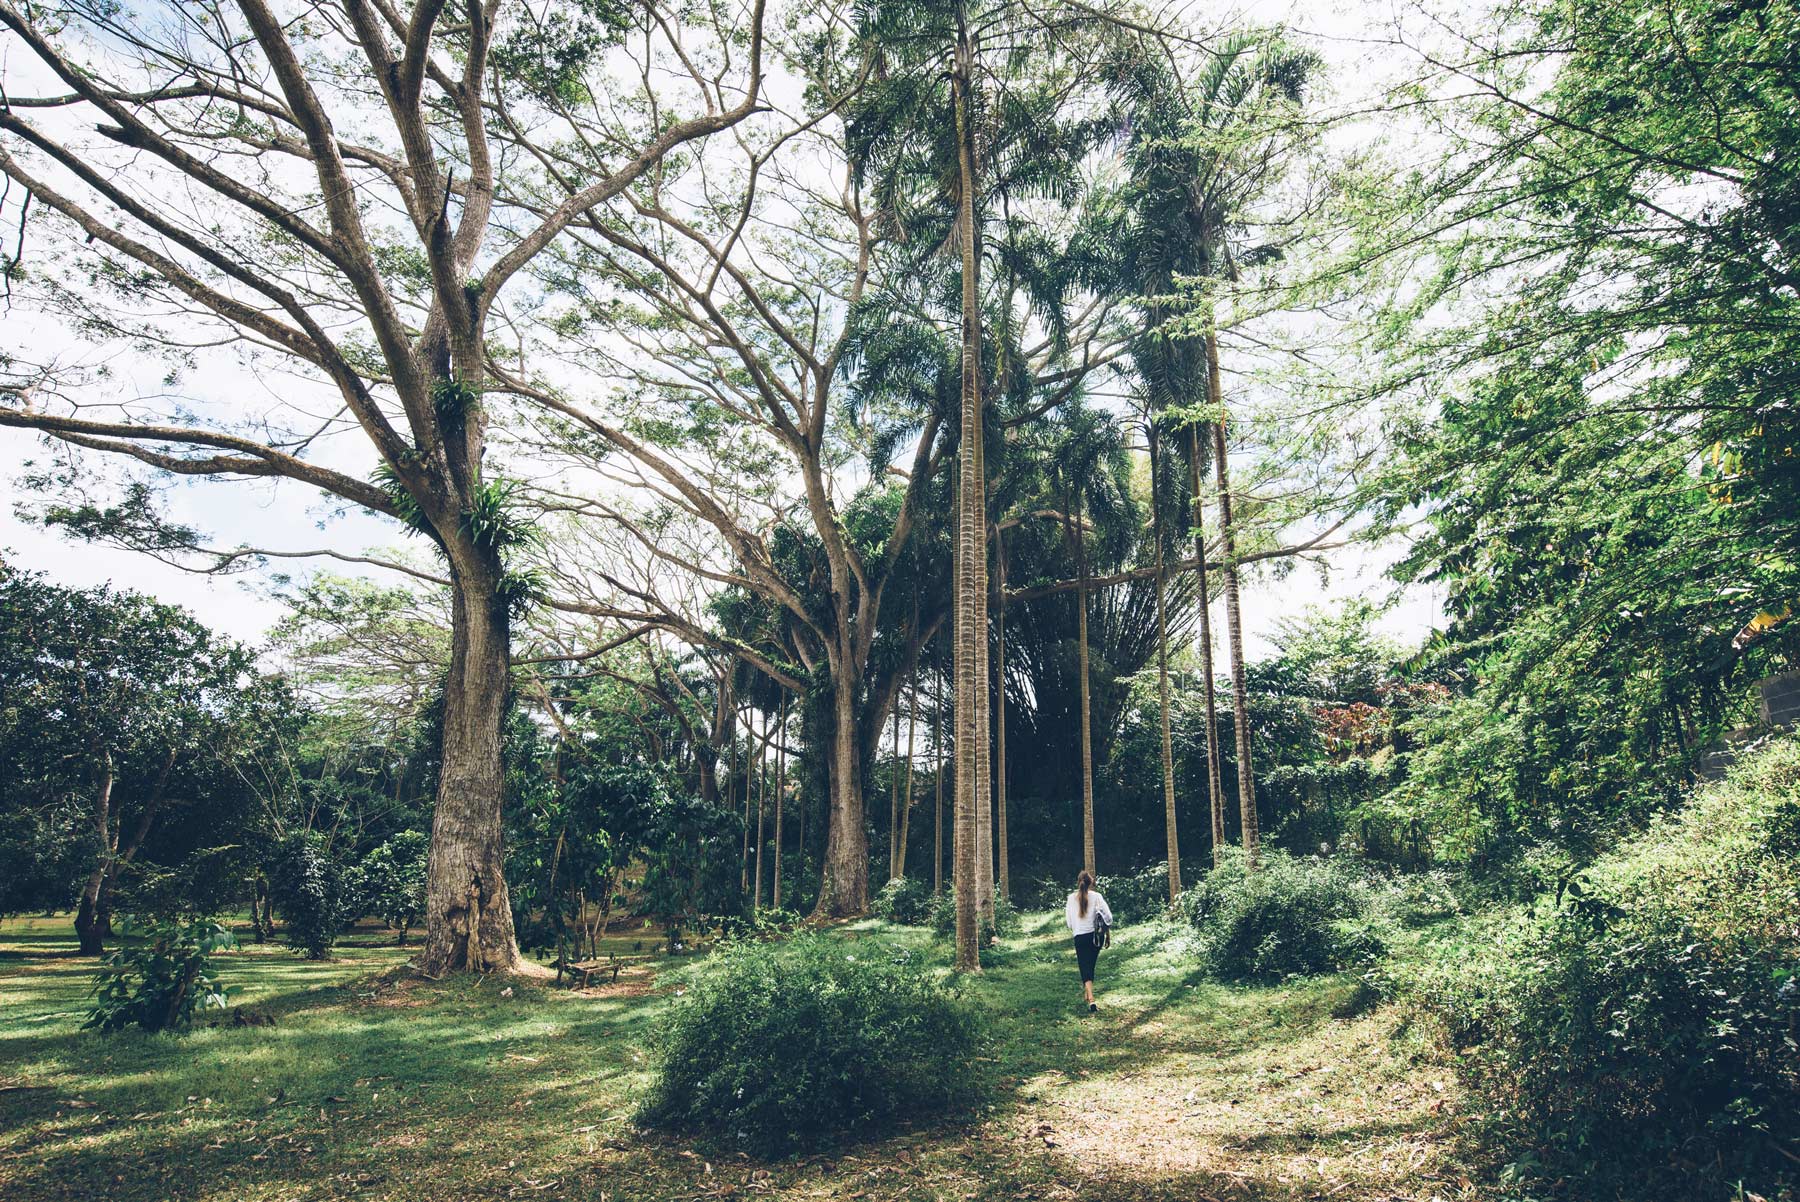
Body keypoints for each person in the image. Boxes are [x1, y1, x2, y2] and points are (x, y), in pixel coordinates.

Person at [1065, 870, 1112, 1013]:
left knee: (1084, 965)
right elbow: (1108, 918)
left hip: (1080, 936)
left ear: (1078, 882)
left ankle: (1090, 996)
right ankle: (1089, 993)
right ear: (1091, 883)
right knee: (1090, 965)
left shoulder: (1070, 898)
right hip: (1095, 937)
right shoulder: (1097, 897)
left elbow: (1069, 923)